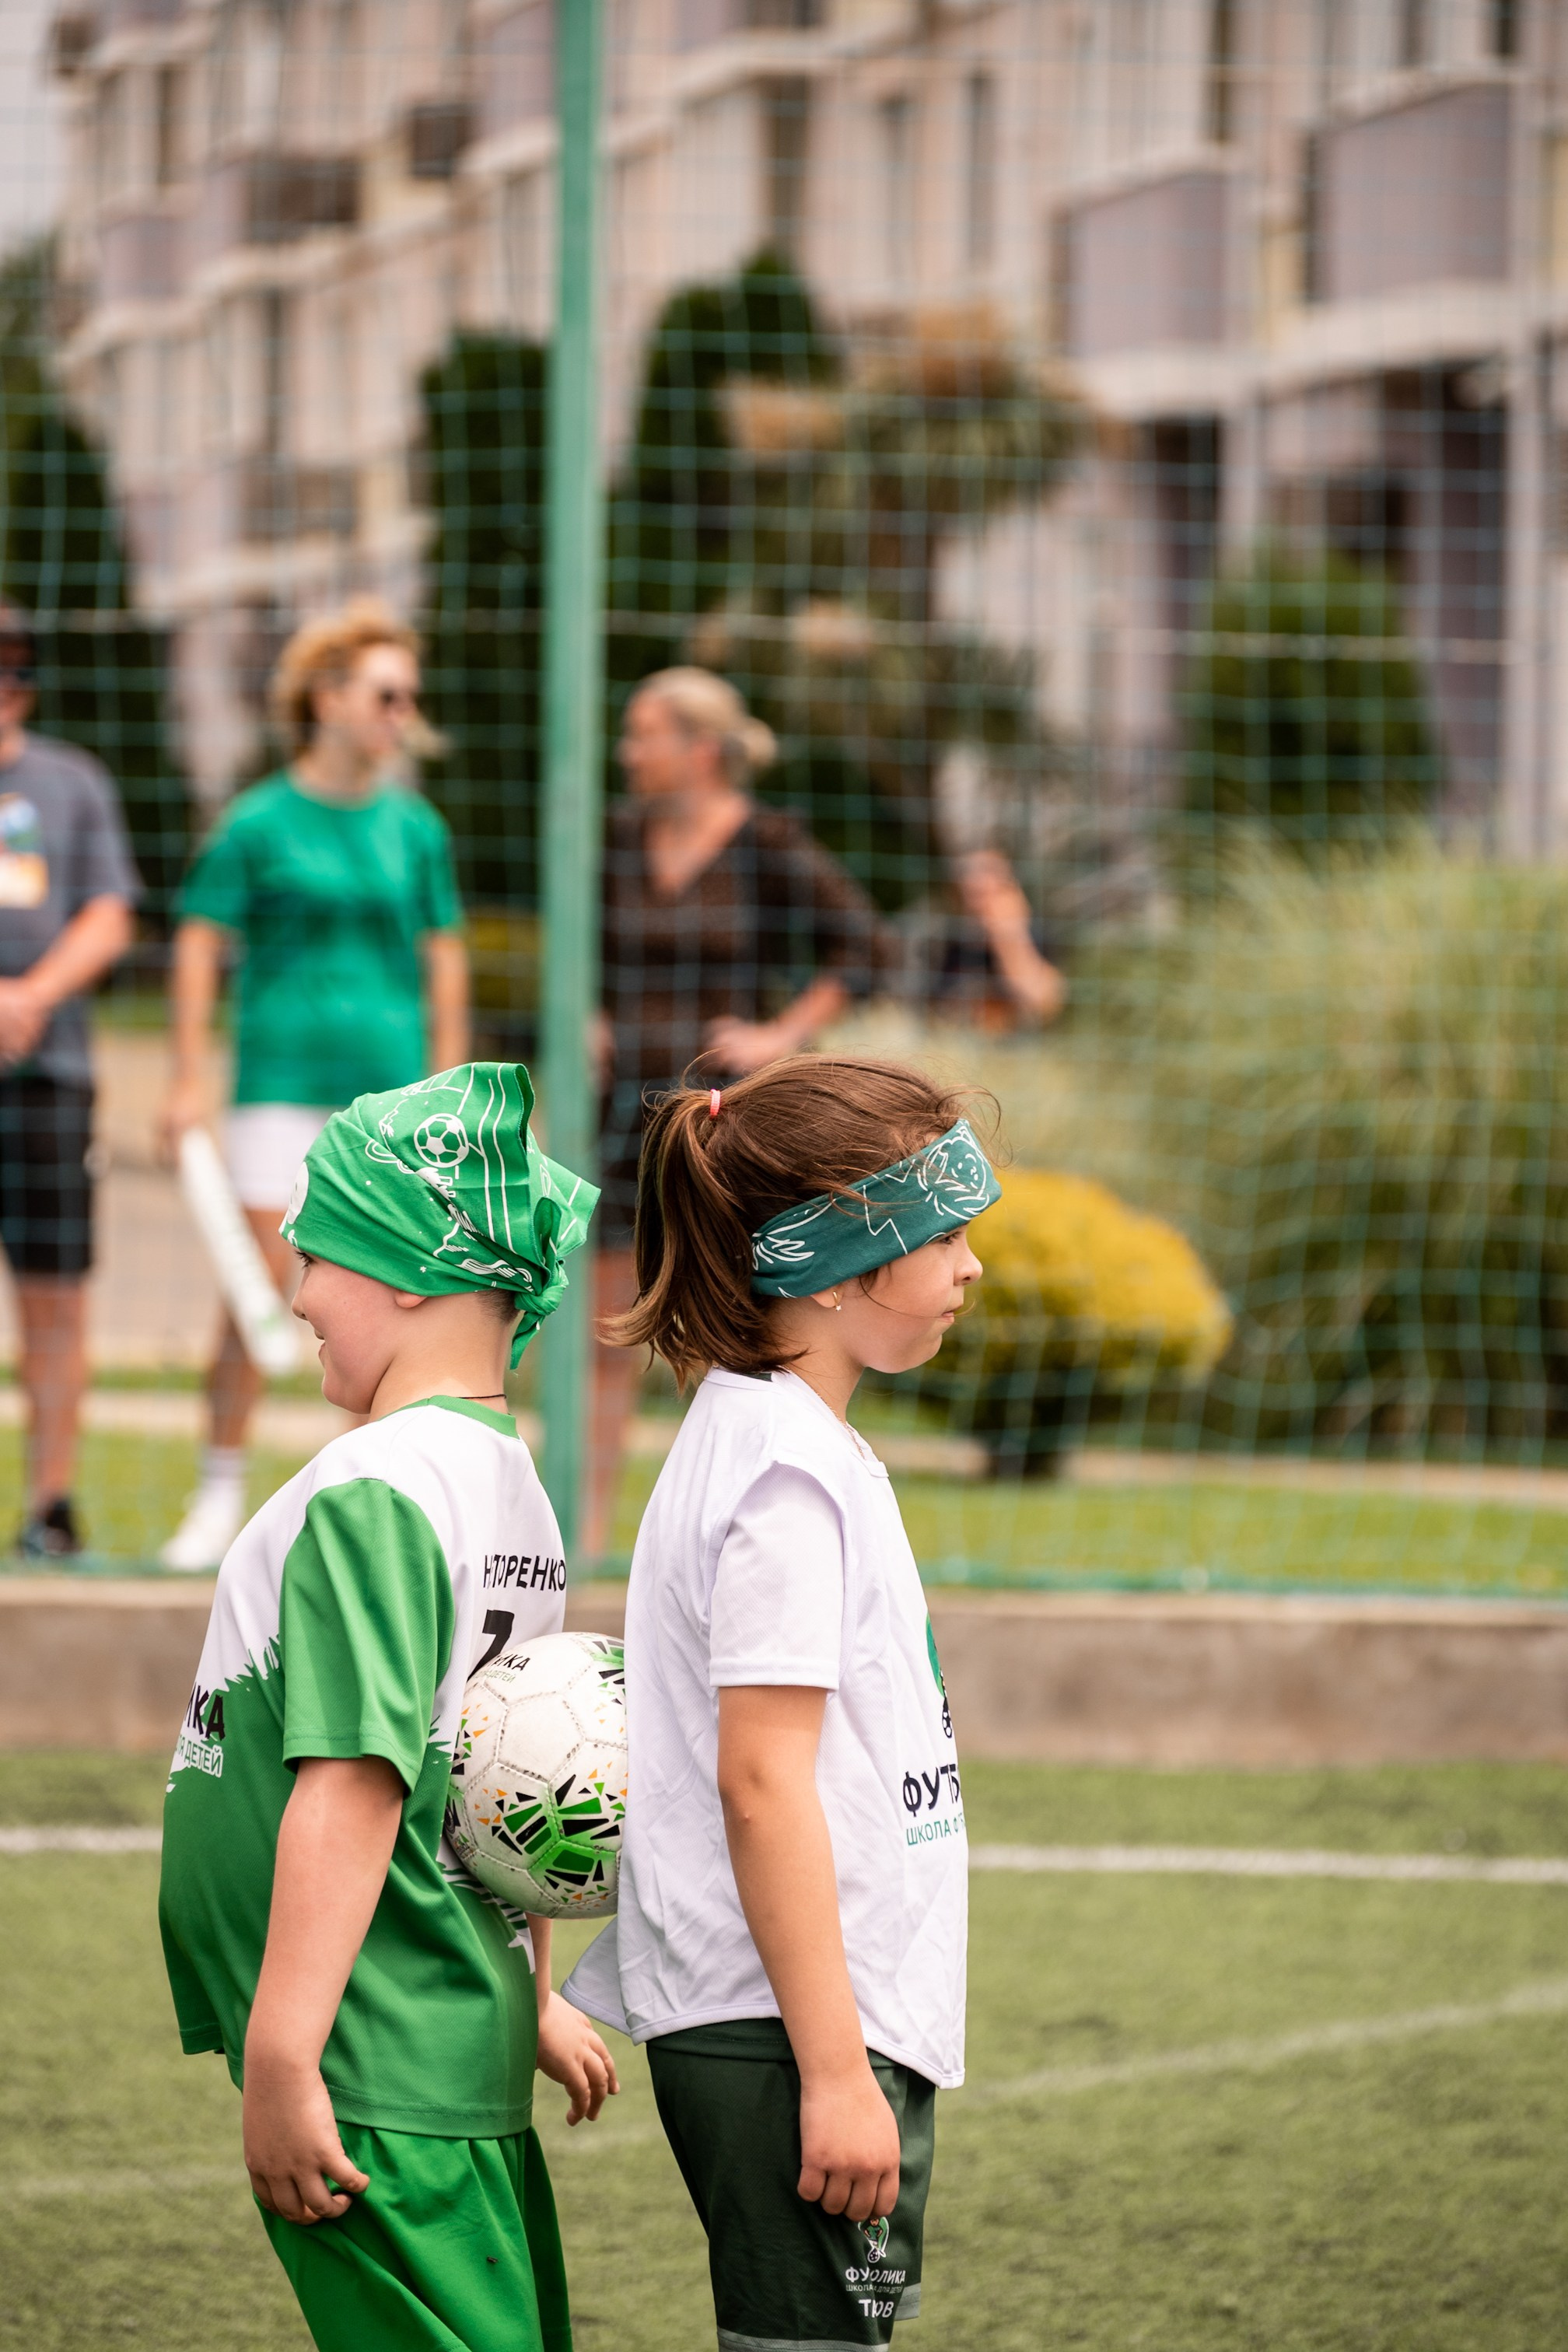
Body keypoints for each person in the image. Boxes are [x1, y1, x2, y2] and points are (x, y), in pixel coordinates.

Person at [159, 1061, 616, 2352]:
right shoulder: (506, 1481)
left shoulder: (375, 1486)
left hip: (367, 2055)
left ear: (408, 1269)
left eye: (320, 1252)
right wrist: (526, 1991)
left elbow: (357, 1782)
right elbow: (497, 1786)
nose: (297, 1289)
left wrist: (283, 2050)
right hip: (446, 2024)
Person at [562, 1056, 996, 2349]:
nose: (970, 1265)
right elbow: (760, 1779)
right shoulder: (782, 1478)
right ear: (835, 1258)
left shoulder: (778, 1438)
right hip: (788, 2029)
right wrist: (834, 2067)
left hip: (812, 2020)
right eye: (943, 1231)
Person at [159, 598, 469, 1570]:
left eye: (409, 697)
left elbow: (444, 954)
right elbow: (201, 940)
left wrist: (452, 1087)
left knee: (389, 1303)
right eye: (386, 693)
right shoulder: (257, 822)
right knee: (260, 1297)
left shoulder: (416, 828)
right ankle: (217, 1499)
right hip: (277, 1087)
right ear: (327, 698)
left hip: (386, 1102)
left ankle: (344, 1516)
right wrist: (184, 1076)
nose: (400, 713)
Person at [591, 667, 890, 1556]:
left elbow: (865, 945)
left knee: (719, 1339)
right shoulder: (612, 838)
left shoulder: (768, 845)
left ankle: (714, 1534)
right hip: (617, 1121)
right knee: (603, 1337)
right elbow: (576, 946)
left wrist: (782, 1034)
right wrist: (584, 1012)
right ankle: (588, 1537)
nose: (628, 751)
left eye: (644, 733)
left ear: (702, 749)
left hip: (721, 1129)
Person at [0, 604, 138, 1557]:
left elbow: (111, 912)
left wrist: (29, 996)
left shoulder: (71, 782)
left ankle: (49, 1507)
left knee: (55, 1296)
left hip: (49, 1075)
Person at [931, 847, 1066, 1031]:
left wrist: (1008, 937)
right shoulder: (947, 940)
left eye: (991, 891)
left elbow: (1042, 1003)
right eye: (975, 894)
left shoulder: (1035, 936)